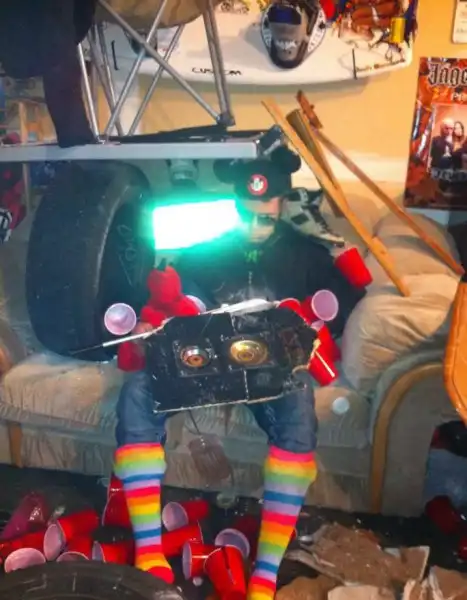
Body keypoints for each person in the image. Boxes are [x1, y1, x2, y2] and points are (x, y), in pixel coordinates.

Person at [113, 148, 365, 600]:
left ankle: (265, 573)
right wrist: (157, 322)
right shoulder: (203, 249)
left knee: (299, 409)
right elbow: (172, 303)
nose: (254, 227)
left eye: (265, 218)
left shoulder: (307, 254)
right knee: (136, 392)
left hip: (271, 372)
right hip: (203, 364)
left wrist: (325, 287)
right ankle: (148, 551)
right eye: (245, 215)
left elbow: (342, 303)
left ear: (282, 206)